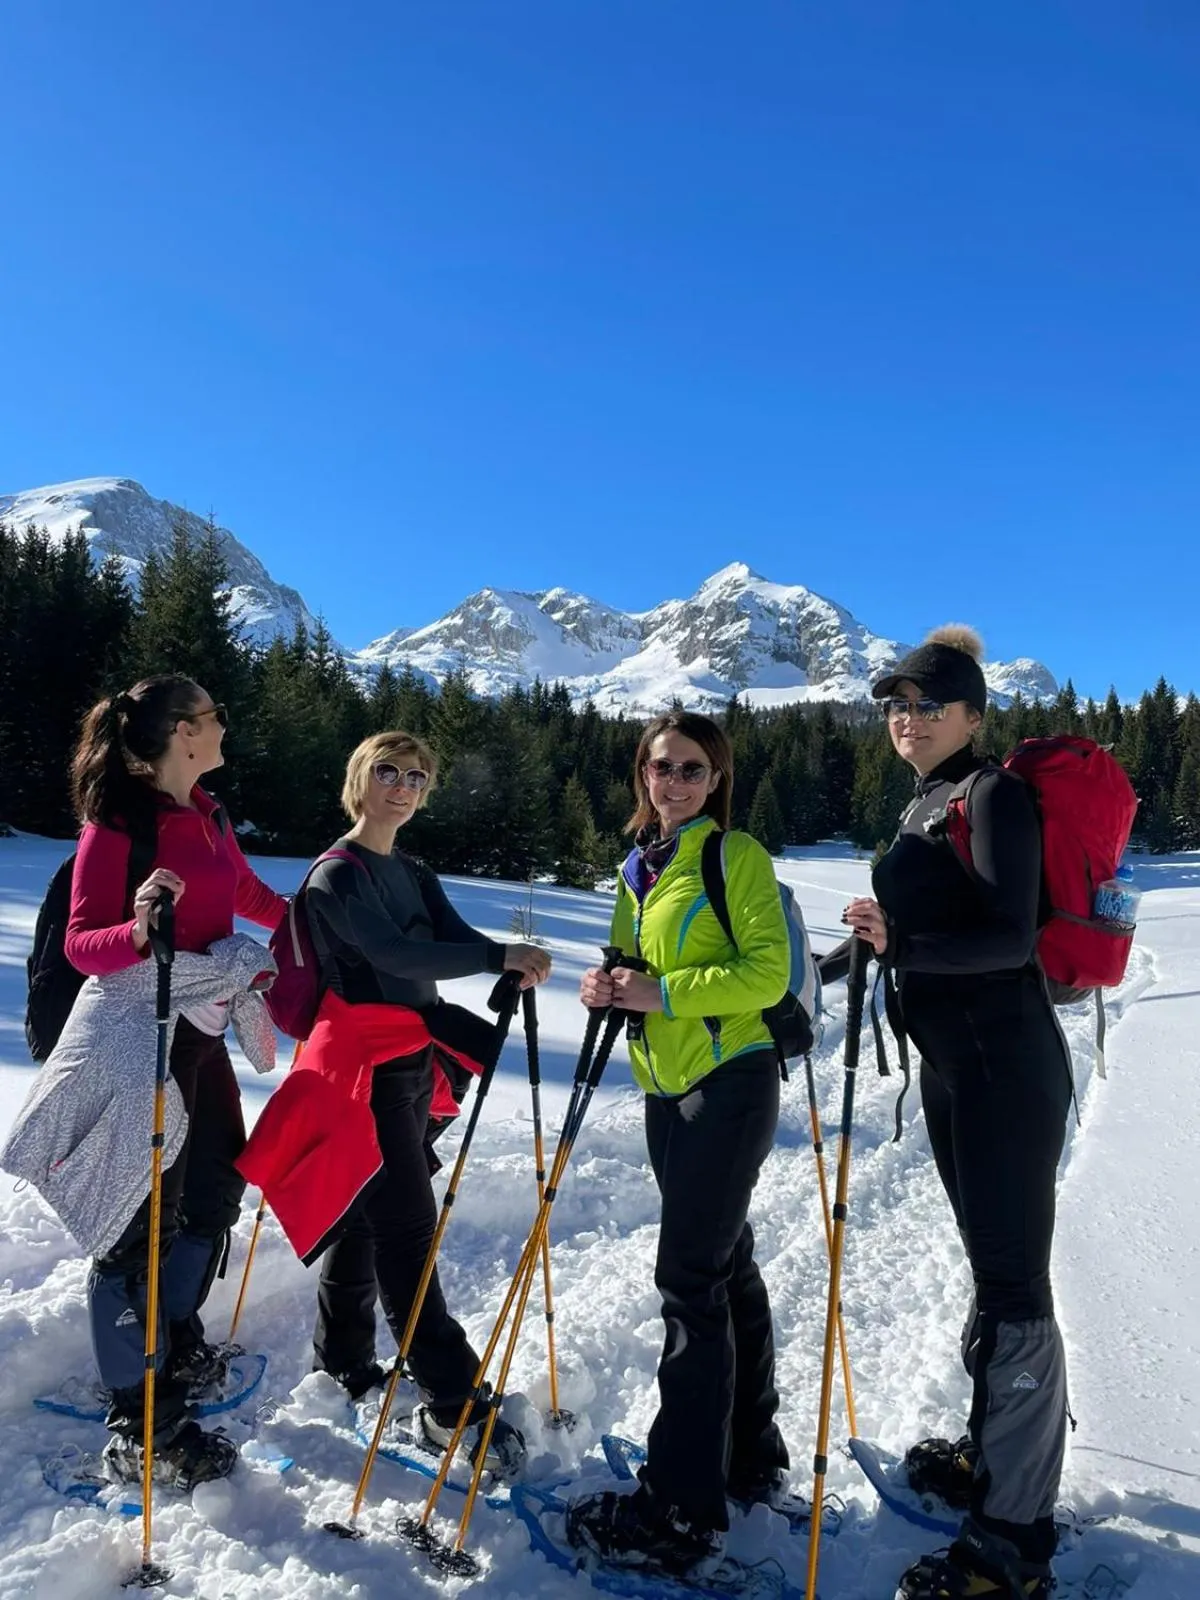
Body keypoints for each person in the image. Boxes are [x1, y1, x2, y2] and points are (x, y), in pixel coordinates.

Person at [843, 626, 1071, 1600]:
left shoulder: (994, 796)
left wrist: (906, 944)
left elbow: (1010, 937)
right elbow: (935, 931)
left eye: (930, 705)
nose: (908, 719)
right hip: (955, 1069)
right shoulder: (924, 803)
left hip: (1006, 1071)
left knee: (1015, 1285)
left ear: (976, 716)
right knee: (992, 1269)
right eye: (896, 705)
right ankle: (996, 1454)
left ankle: (1009, 1542)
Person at [566, 710, 792, 1579]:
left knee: (688, 1283)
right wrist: (607, 984)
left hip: (731, 1081)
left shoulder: (734, 857)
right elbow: (635, 965)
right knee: (725, 1265)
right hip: (670, 1089)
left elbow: (766, 972)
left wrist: (663, 994)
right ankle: (747, 1456)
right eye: (662, 767)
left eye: (693, 769)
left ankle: (681, 1511)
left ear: (716, 779)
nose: (675, 781)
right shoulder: (641, 865)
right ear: (642, 774)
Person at [298, 731, 551, 1471]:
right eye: (388, 772)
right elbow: (393, 955)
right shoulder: (335, 877)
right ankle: (448, 1397)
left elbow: (451, 937)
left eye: (417, 777)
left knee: (372, 1216)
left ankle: (342, 1360)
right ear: (359, 780)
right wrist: (491, 957)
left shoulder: (410, 868)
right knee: (407, 1226)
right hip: (359, 1072)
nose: (403, 787)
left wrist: (507, 963)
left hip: (411, 1062)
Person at [66, 674, 288, 1488]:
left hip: (199, 1036)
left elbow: (251, 893)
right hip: (139, 1043)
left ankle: (174, 1333)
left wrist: (318, 921)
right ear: (182, 732)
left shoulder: (210, 814)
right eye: (215, 713)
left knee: (216, 1190)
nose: (225, 724)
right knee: (139, 1219)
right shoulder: (119, 823)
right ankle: (138, 1417)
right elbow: (82, 942)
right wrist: (139, 928)